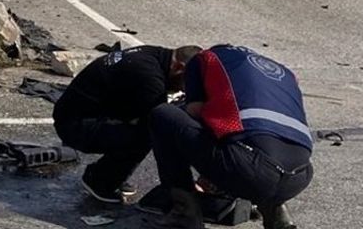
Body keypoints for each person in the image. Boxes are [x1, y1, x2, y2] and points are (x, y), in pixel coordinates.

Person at [146, 45, 312, 229]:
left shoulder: (203, 60)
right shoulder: (283, 73)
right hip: (299, 177)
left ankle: (184, 214)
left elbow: (195, 113)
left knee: (165, 115)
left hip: (253, 172)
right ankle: (275, 210)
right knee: (258, 139)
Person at [54, 45, 202, 204]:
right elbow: (162, 126)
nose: (184, 89)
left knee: (149, 122)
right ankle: (99, 181)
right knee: (149, 133)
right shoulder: (149, 77)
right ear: (179, 67)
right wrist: (187, 183)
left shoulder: (155, 56)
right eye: (186, 83)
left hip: (86, 111)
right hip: (74, 125)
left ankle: (106, 173)